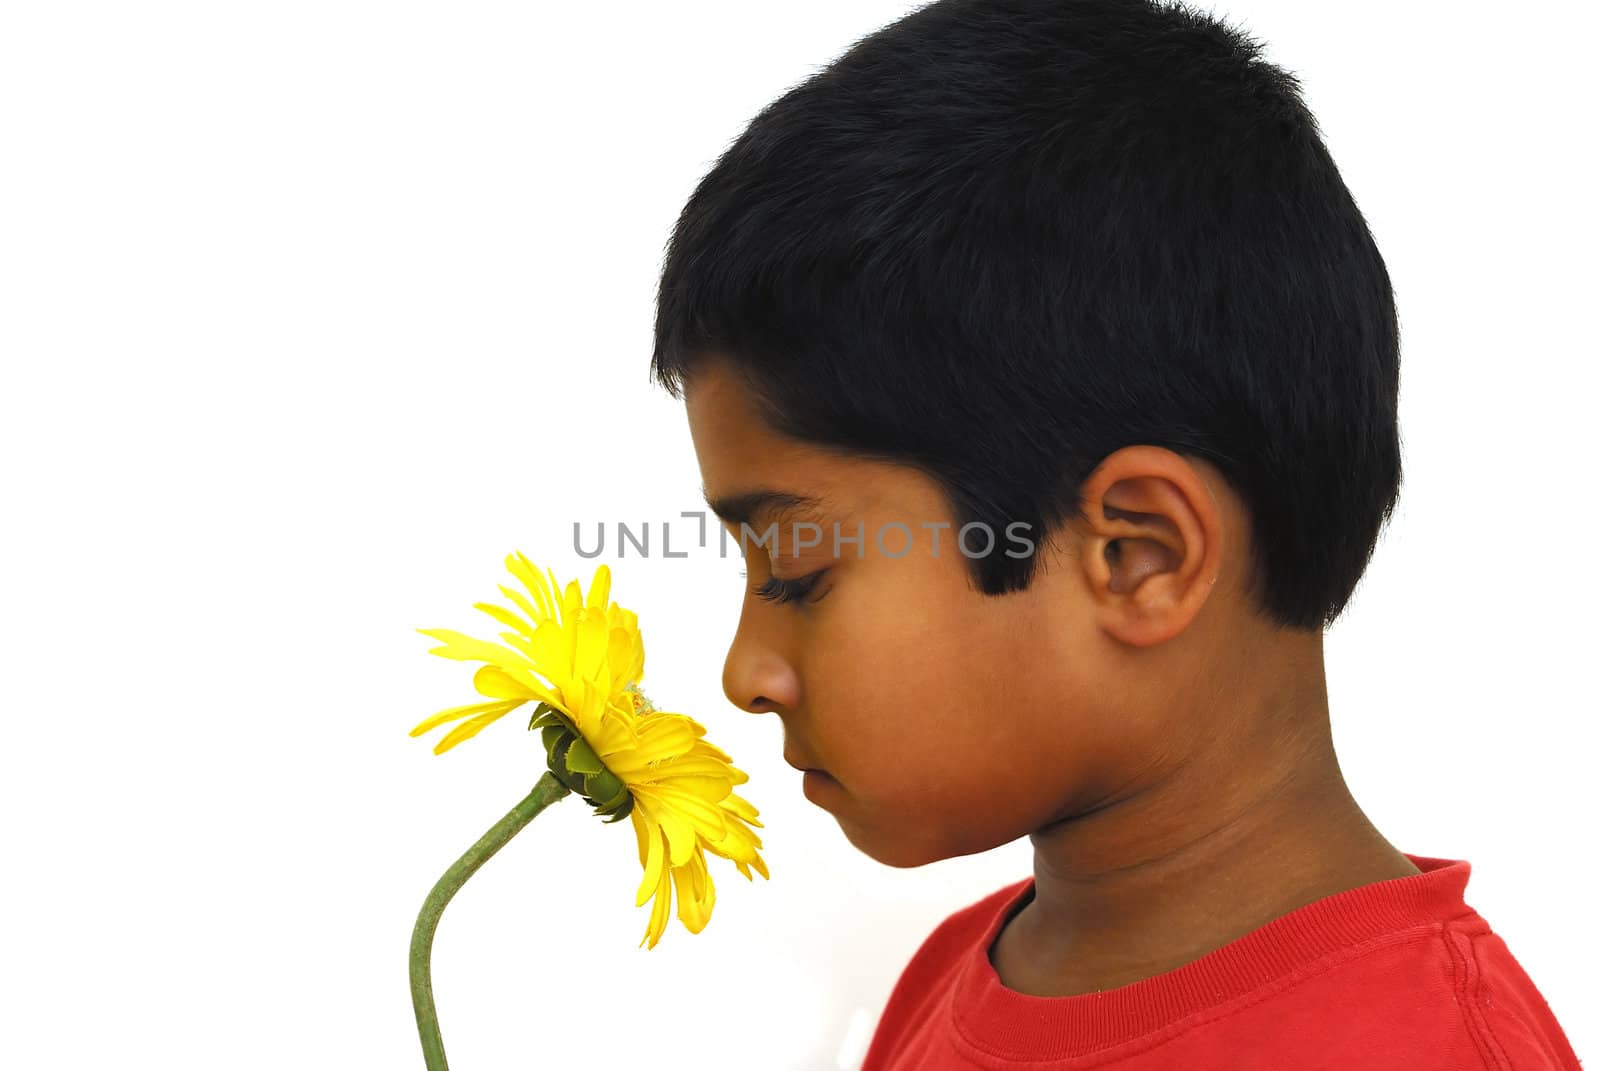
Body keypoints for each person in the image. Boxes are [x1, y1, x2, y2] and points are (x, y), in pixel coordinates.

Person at [648, 0, 1583, 1066]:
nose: (745, 673)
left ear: (1138, 557)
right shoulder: (953, 973)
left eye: (801, 568)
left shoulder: (1420, 1051)